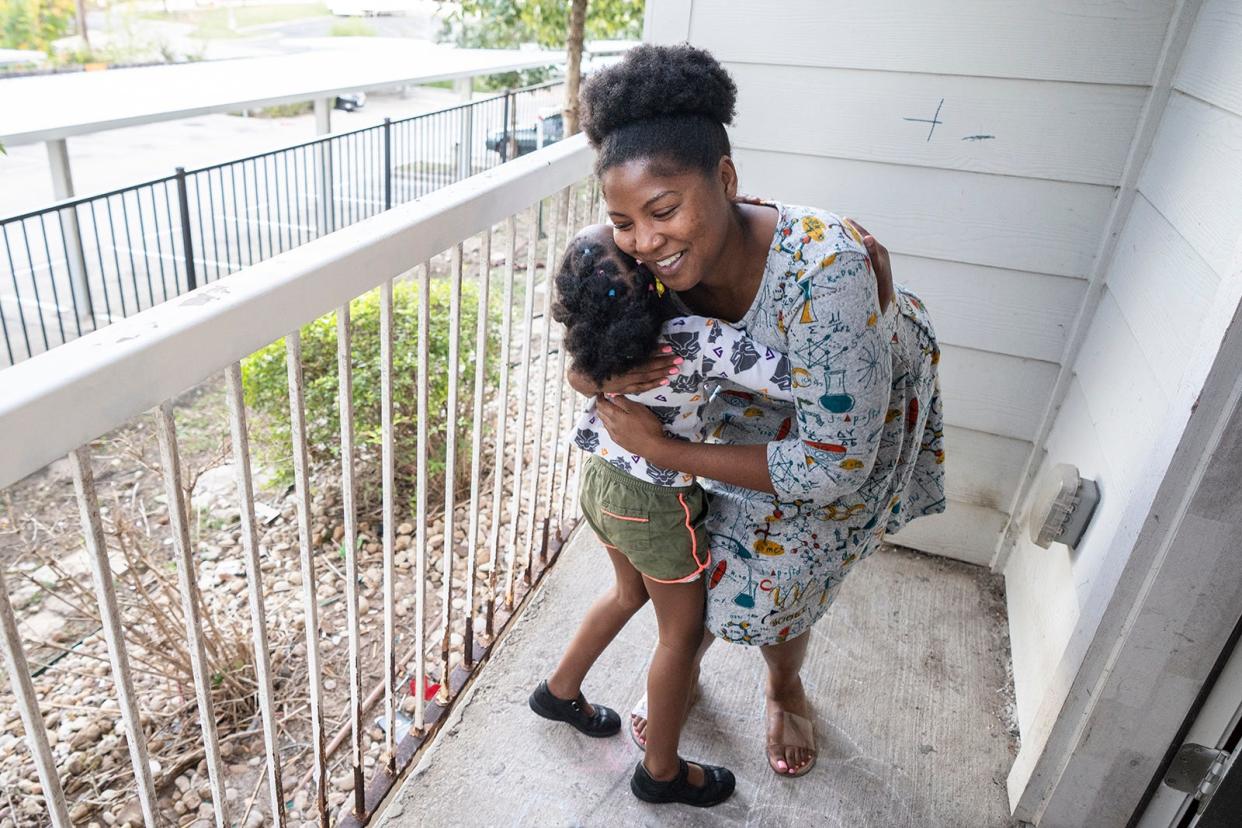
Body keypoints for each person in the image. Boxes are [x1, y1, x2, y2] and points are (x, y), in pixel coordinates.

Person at [571, 43, 946, 778]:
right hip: (747, 404)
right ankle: (687, 659)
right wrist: (595, 377)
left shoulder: (828, 271)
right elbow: (585, 353)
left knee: (774, 591)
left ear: (727, 179)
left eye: (665, 210)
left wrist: (667, 451)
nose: (644, 242)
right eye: (622, 219)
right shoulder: (626, 257)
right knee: (705, 559)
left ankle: (783, 683)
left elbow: (832, 466)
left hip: (846, 417)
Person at [528, 224, 797, 806]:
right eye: (633, 245)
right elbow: (793, 377)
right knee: (680, 637)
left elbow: (580, 374)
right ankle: (662, 771)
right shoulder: (698, 341)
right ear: (653, 282)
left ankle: (559, 690)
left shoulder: (593, 354)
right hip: (657, 505)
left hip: (600, 484)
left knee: (628, 593)